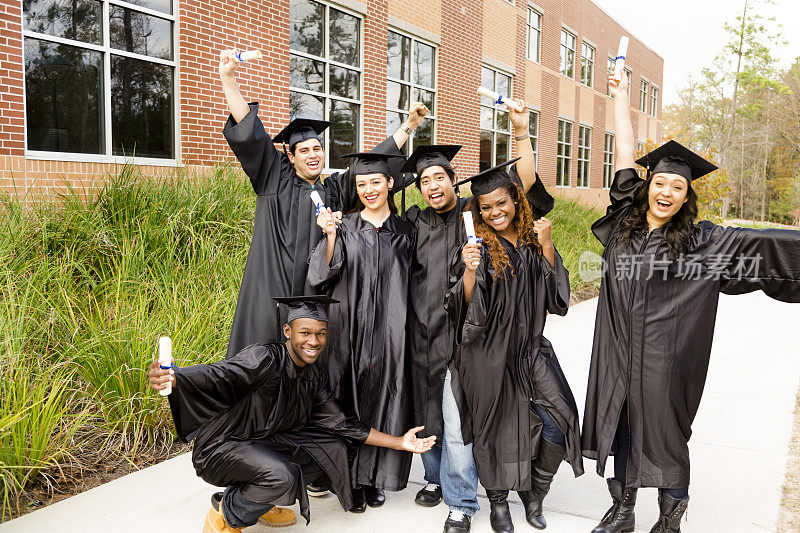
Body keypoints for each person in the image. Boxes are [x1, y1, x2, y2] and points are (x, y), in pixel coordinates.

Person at [582, 73, 800, 533]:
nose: (666, 193)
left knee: (665, 435)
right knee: (620, 427)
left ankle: (670, 520)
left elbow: (765, 247)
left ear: (686, 196)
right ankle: (622, 512)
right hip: (617, 351)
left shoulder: (702, 242)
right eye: (660, 182)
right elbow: (624, 152)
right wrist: (620, 98)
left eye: (677, 188)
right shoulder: (624, 220)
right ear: (648, 185)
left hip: (665, 359)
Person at [147, 296, 435, 533]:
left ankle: (259, 498)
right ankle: (227, 515)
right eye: (305, 333)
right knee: (281, 475)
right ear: (288, 332)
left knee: (332, 447)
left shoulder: (314, 377)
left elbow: (344, 425)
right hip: (223, 446)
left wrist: (400, 442)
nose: (314, 341)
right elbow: (222, 374)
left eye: (321, 334)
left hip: (264, 445)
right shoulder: (264, 358)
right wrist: (175, 378)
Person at [398, 101, 554, 533]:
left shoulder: (475, 211)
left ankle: (462, 499)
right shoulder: (413, 220)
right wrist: (407, 128)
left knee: (458, 422)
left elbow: (524, 193)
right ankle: (435, 479)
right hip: (423, 332)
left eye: (439, 177)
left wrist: (520, 133)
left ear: (453, 180)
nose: (432, 185)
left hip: (470, 335)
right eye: (424, 179)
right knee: (426, 410)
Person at [217, 49, 428, 358]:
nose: (313, 155)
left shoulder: (334, 189)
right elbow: (250, 130)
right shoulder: (273, 176)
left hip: (312, 295)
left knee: (308, 360)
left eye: (317, 148)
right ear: (290, 155)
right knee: (262, 358)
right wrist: (228, 79)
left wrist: (407, 126)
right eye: (304, 150)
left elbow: (369, 166)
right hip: (269, 290)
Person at [445, 160, 584, 533]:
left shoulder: (531, 241)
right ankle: (498, 503)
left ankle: (536, 491)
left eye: (501, 203)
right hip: (487, 355)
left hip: (531, 349)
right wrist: (470, 271)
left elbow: (557, 300)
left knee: (561, 418)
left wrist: (549, 244)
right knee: (493, 429)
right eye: (486, 207)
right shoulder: (476, 248)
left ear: (516, 200)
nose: (495, 212)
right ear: (477, 210)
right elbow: (463, 309)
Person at [306, 146, 416, 512]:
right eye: (361, 183)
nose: (369, 189)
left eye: (375, 182)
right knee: (346, 399)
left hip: (391, 332)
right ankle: (346, 480)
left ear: (389, 183)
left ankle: (373, 479)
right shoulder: (345, 227)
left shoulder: (407, 230)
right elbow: (319, 274)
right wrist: (331, 237)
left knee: (384, 400)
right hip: (348, 332)